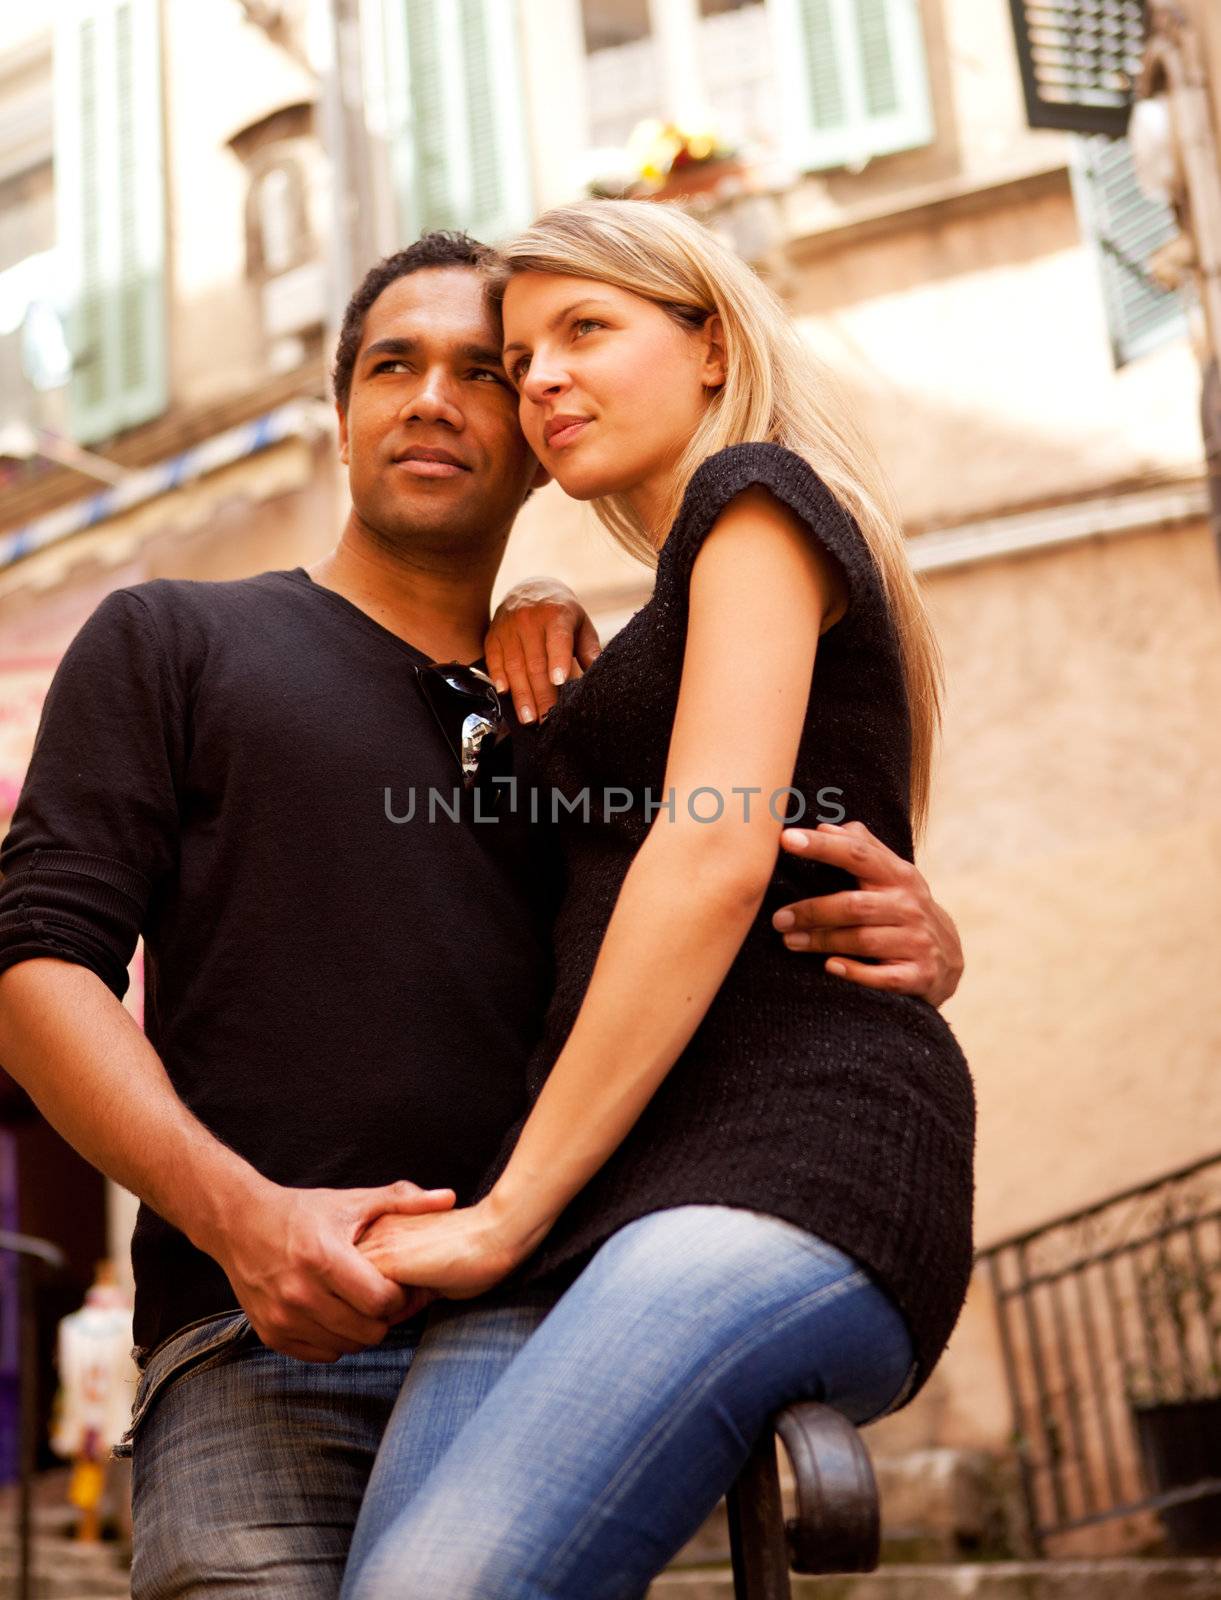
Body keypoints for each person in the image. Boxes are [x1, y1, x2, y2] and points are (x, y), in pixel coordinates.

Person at [0, 231, 964, 1599]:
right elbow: (32, 966)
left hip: (554, 1302)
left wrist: (921, 934)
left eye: (489, 370)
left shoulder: (590, 706)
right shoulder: (173, 639)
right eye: (394, 364)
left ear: (534, 443)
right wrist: (241, 1218)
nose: (442, 396)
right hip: (252, 1341)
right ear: (339, 416)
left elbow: (720, 877)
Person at [339, 201, 977, 1600]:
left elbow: (710, 856)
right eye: (523, 358)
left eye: (586, 330)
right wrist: (543, 599)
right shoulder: (653, 602)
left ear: (706, 343)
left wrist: (504, 1215)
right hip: (603, 1187)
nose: (543, 379)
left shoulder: (756, 494)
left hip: (783, 1159)